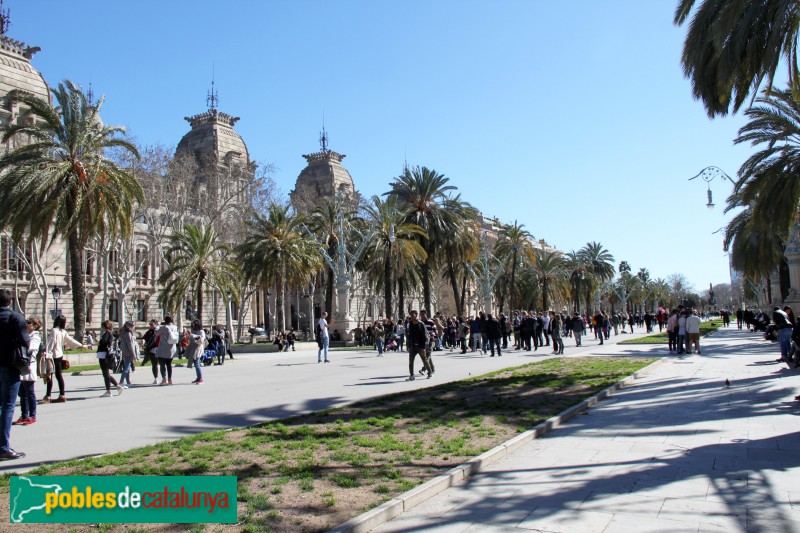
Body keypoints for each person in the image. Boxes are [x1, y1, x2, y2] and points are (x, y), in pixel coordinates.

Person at [0, 289, 28, 460]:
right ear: (9, 302)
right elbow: (25, 340)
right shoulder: (14, 317)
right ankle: (3, 447)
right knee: (8, 406)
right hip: (9, 365)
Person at [43, 314, 88, 403]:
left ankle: (48, 395)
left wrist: (47, 354)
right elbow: (71, 340)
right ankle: (62, 394)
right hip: (59, 355)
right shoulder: (63, 332)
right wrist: (82, 345)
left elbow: (50, 344)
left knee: (49, 376)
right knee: (59, 376)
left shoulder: (54, 331)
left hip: (52, 356)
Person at [14, 316, 40, 426]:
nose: (27, 324)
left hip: (29, 366)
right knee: (22, 393)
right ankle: (24, 415)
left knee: (30, 392)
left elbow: (30, 347)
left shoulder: (35, 337)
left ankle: (32, 416)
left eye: (29, 323)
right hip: (21, 367)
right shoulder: (24, 335)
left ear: (34, 326)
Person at [96, 320, 122, 397]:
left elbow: (104, 342)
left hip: (104, 355)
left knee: (106, 373)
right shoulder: (110, 333)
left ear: (105, 326)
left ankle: (109, 391)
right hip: (105, 354)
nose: (101, 328)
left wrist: (99, 342)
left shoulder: (107, 333)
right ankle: (117, 387)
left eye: (102, 326)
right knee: (105, 374)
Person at [406, 310, 433, 381]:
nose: (411, 317)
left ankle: (430, 372)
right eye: (410, 315)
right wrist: (408, 345)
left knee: (424, 360)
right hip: (413, 346)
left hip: (420, 346)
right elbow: (409, 335)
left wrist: (423, 347)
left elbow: (424, 336)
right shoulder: (410, 324)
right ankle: (412, 375)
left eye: (412, 315)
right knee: (411, 362)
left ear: (416, 315)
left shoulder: (421, 324)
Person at [155, 316, 179, 385]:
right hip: (172, 348)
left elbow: (156, 332)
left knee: (162, 364)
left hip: (163, 348)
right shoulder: (175, 327)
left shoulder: (164, 328)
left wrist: (158, 325)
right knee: (169, 364)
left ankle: (164, 379)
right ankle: (170, 379)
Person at [186, 319, 206, 385]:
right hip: (194, 348)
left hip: (198, 348)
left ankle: (200, 378)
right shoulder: (195, 331)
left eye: (194, 324)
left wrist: (194, 336)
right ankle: (198, 377)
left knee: (197, 363)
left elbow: (201, 340)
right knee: (195, 363)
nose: (193, 326)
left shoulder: (201, 331)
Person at [119, 321, 138, 389]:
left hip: (125, 352)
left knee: (127, 368)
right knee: (126, 369)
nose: (134, 328)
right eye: (133, 326)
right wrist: (133, 354)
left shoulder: (124, 333)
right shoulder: (128, 334)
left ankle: (128, 382)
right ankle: (121, 382)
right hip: (128, 353)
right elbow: (130, 345)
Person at [141, 320, 161, 385]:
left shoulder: (159, 330)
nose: (151, 326)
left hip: (159, 349)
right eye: (150, 325)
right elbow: (144, 337)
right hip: (151, 349)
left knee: (161, 364)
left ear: (155, 324)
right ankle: (156, 378)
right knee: (154, 364)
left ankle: (164, 377)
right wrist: (143, 342)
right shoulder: (149, 331)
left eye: (152, 324)